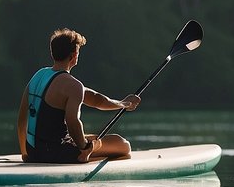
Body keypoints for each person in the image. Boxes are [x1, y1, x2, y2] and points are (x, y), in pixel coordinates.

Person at [16, 28, 141, 163]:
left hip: (33, 151)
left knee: (94, 138)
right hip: (57, 152)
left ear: (53, 53)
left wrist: (123, 104)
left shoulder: (38, 76)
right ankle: (87, 152)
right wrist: (85, 148)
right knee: (122, 144)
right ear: (74, 56)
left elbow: (95, 98)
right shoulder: (73, 86)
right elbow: (72, 122)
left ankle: (87, 147)